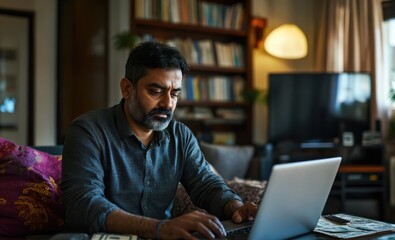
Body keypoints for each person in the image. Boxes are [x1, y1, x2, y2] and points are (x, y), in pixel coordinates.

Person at [61, 41, 258, 239]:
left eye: (174, 94)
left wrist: (237, 208)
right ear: (127, 89)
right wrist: (159, 228)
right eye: (156, 92)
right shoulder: (87, 131)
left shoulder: (181, 136)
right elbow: (82, 204)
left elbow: (206, 185)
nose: (167, 103)